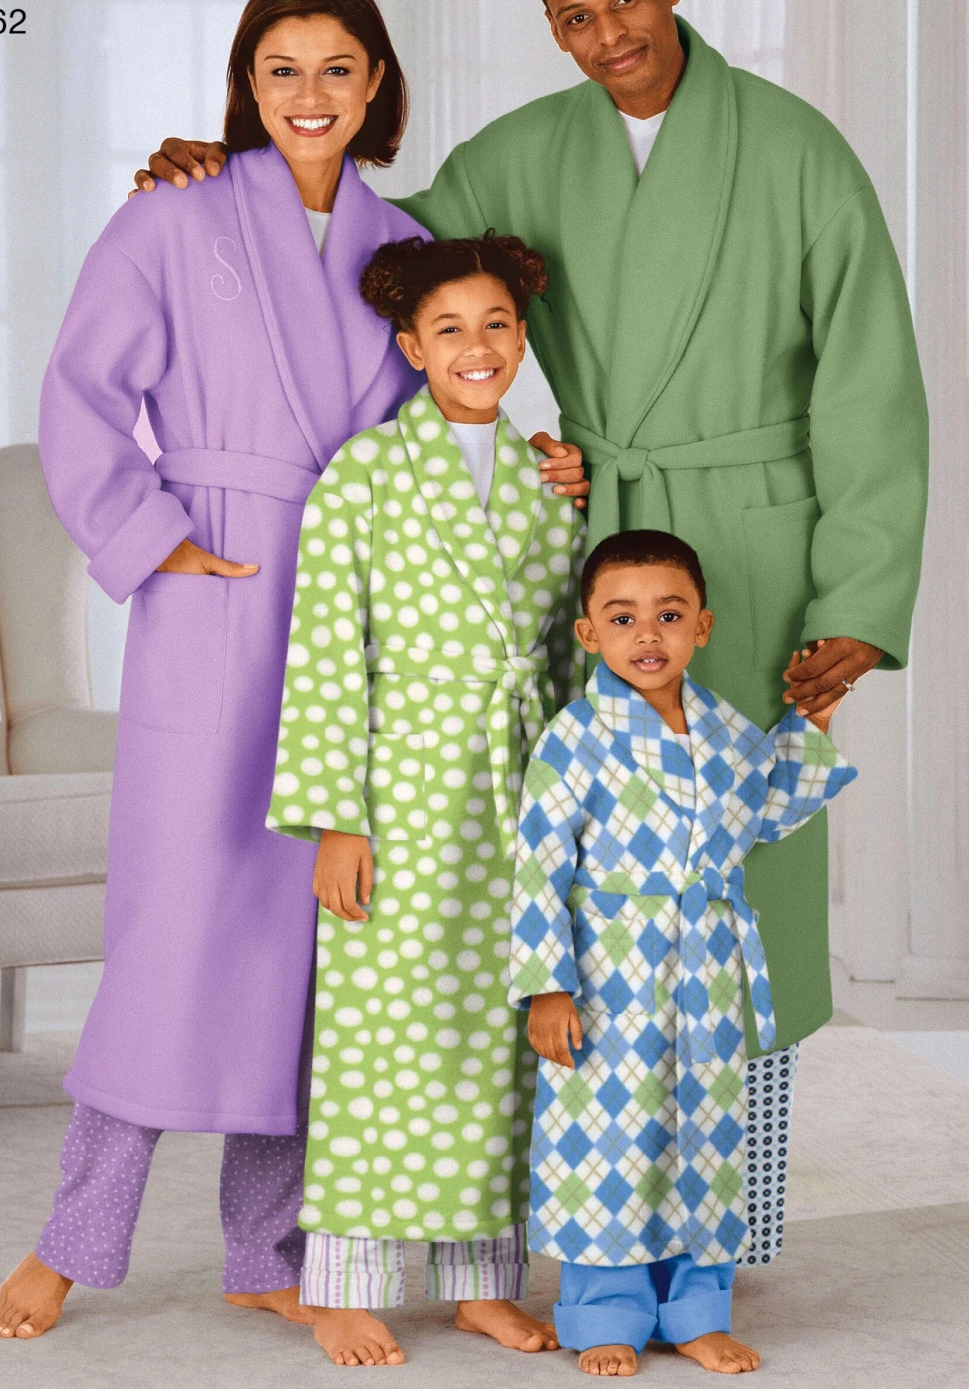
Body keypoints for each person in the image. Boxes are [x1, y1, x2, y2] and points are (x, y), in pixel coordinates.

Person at [134, 0, 927, 1272]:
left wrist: (855, 599)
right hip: (593, 535)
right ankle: (587, 1213)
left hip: (752, 548)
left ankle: (733, 1224)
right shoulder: (529, 153)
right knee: (581, 861)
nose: (607, 34)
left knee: (733, 864)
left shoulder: (798, 151)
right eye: (573, 16)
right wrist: (239, 179)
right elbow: (378, 253)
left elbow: (870, 380)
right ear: (551, 29)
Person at [0, 0, 588, 1342]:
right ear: (245, 85)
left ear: (377, 82)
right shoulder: (173, 216)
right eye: (281, 69)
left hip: (367, 626)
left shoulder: (404, 245)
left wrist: (543, 466)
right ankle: (72, 1239)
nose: (309, 95)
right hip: (224, 601)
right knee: (173, 942)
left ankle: (267, 1250)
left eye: (337, 68)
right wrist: (154, 537)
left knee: (317, 961)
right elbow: (81, 394)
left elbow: (453, 394)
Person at [267, 233, 584, 1366]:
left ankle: (482, 1282)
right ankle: (344, 1282)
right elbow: (325, 652)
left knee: (498, 1034)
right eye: (449, 330)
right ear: (411, 348)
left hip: (518, 785)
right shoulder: (362, 475)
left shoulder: (553, 482)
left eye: (496, 325)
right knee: (380, 1031)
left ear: (523, 340)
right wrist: (336, 818)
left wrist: (580, 800)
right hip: (400, 787)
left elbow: (568, 649)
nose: (476, 347)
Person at [509, 530, 855, 1376]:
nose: (647, 635)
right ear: (589, 632)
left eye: (669, 616)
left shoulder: (724, 726)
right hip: (610, 969)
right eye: (622, 617)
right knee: (611, 1140)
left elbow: (765, 811)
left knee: (705, 1133)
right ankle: (606, 1313)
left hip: (706, 963)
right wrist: (548, 987)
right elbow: (540, 865)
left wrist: (814, 722)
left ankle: (697, 1310)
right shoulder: (573, 736)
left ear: (702, 625)